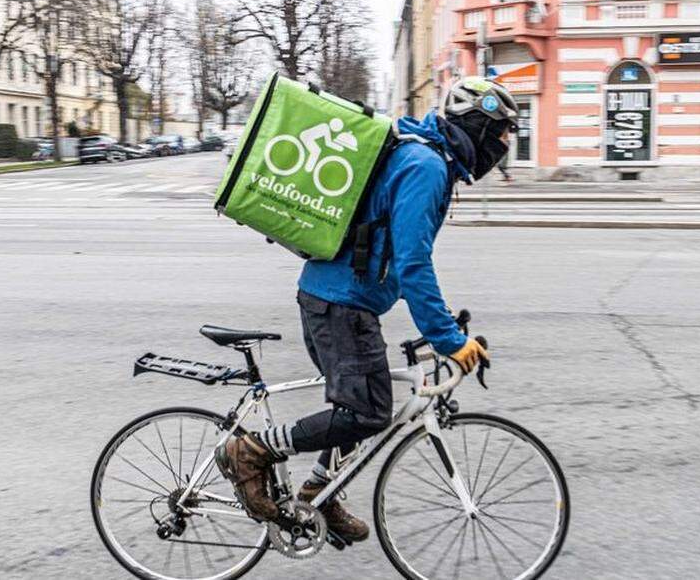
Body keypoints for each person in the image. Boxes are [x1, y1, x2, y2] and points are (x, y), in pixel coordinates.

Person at [214, 77, 520, 542]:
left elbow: (394, 256)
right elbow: (414, 262)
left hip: (336, 300)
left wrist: (438, 327)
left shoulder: (426, 158)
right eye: (501, 134)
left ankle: (320, 493)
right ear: (478, 126)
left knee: (356, 406)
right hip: (340, 305)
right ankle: (252, 450)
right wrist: (448, 340)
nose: (502, 147)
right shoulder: (427, 167)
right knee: (368, 413)